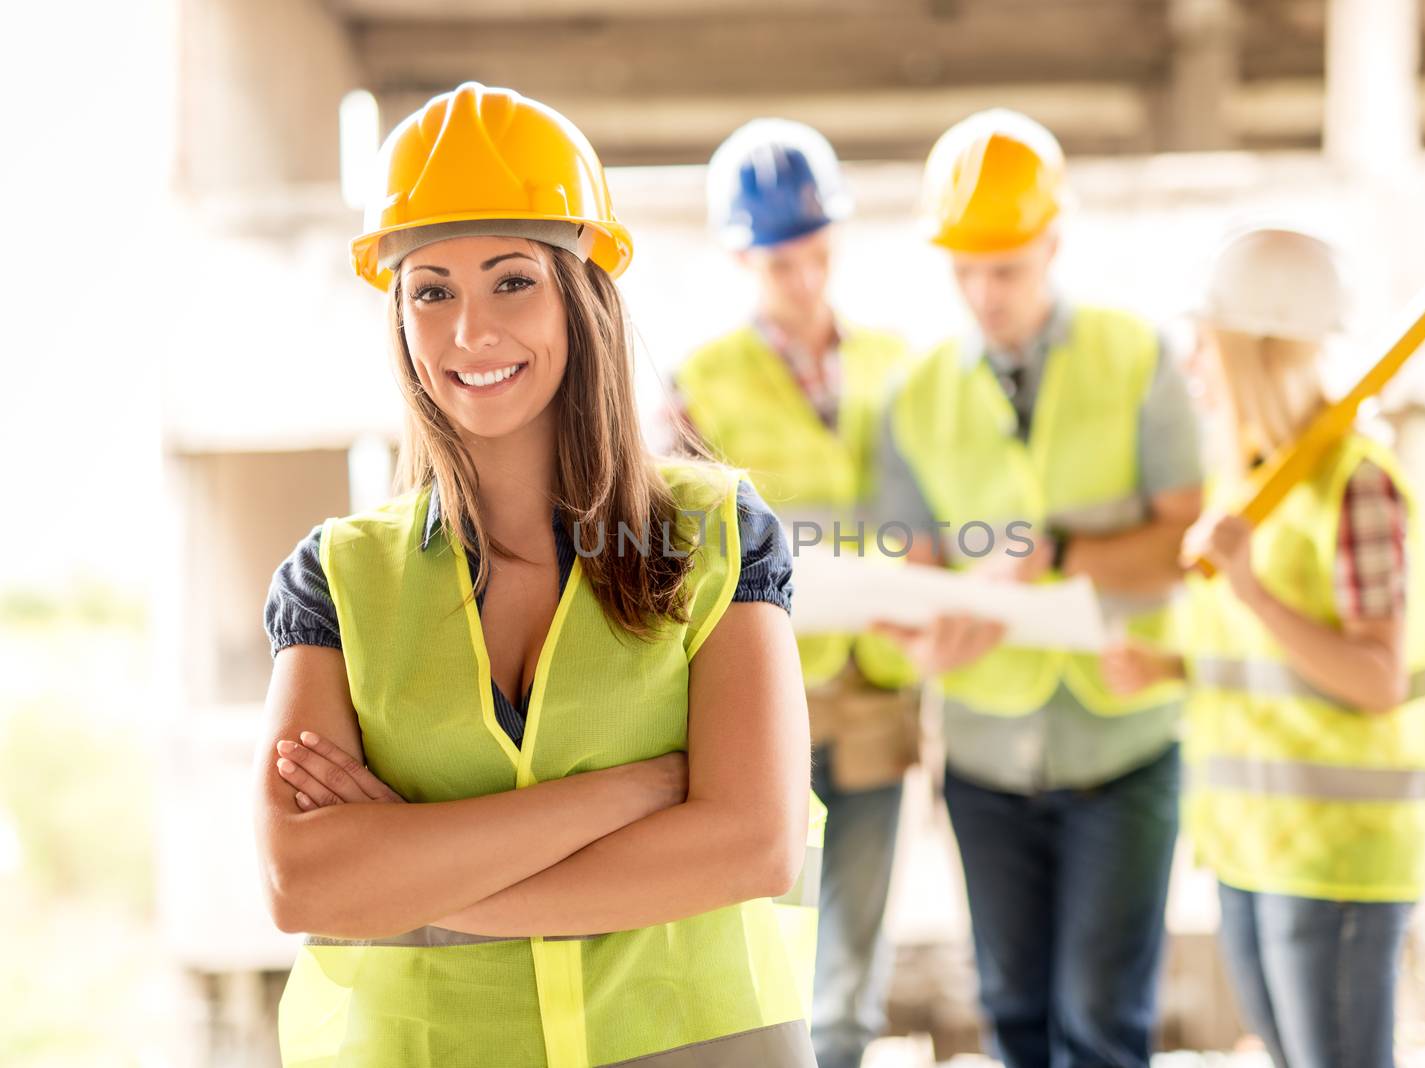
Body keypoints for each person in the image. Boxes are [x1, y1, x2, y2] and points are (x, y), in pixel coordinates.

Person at [254, 82, 822, 1067]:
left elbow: (752, 846)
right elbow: (303, 885)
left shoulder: (717, 535)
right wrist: (638, 792)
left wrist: (414, 878)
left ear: (583, 292)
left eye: (511, 280)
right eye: (431, 289)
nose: (469, 330)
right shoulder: (336, 580)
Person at [872, 109, 1203, 1068]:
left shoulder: (1137, 355)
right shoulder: (915, 392)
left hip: (1123, 742)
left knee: (1103, 1024)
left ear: (1053, 241)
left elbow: (1186, 541)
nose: (985, 292)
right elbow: (914, 572)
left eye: (1007, 267)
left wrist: (1058, 554)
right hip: (982, 755)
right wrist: (923, 639)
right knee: (1013, 1015)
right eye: (965, 269)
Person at [1102, 227, 1425, 1068]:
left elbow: (1375, 677)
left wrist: (1251, 589)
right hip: (1250, 844)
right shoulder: (1250, 483)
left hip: (1333, 856)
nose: (1191, 371)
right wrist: (1172, 667)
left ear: (1254, 351)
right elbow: (1267, 661)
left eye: (1203, 348)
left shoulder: (1356, 486)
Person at [673, 118, 921, 1068]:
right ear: (742, 256)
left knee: (854, 952)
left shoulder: (898, 364)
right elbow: (680, 541)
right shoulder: (702, 383)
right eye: (782, 262)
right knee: (768, 941)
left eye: (817, 252)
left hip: (878, 679)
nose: (806, 276)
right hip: (765, 691)